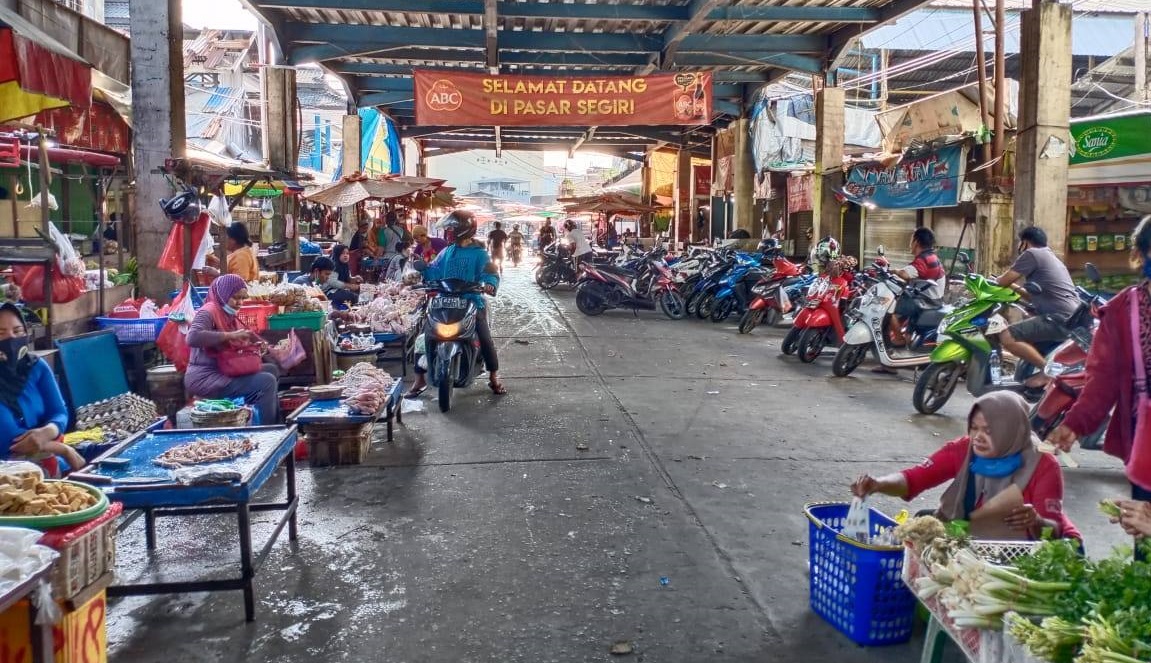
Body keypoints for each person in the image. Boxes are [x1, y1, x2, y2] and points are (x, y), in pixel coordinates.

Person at [1048, 215, 1151, 557]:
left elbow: (1102, 380)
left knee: (1146, 539)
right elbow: (1103, 379)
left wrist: (1075, 425)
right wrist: (1075, 423)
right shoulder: (1124, 309)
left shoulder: (1126, 307)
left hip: (1143, 439)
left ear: (1138, 253)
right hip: (1144, 443)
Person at [854, 391, 1080, 543]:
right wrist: (878, 484)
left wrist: (1035, 520)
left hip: (1025, 546)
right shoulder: (964, 449)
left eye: (989, 431)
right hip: (975, 534)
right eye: (974, 428)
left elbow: (1054, 530)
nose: (978, 437)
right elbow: (914, 478)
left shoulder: (1042, 464)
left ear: (1012, 429)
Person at [406, 210, 505, 398]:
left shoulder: (480, 254)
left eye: (451, 229)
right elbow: (434, 270)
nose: (448, 232)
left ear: (462, 230)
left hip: (471, 301)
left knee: (485, 338)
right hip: (443, 301)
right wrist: (423, 270)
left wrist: (490, 285)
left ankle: (493, 377)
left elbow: (490, 273)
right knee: (424, 336)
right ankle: (419, 380)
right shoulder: (447, 251)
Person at [0, 303, 85, 474]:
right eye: (1, 333)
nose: (11, 338)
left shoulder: (36, 367)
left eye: (17, 331)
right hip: (8, 480)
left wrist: (48, 430)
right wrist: (63, 449)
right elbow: (9, 439)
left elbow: (59, 412)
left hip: (50, 466)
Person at [185, 274, 280, 426]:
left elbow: (244, 336)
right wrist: (229, 336)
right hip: (207, 377)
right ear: (224, 294)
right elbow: (192, 338)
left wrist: (262, 345)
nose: (240, 303)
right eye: (236, 298)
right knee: (267, 381)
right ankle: (268, 430)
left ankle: (270, 419)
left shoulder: (228, 314)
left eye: (243, 298)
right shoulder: (208, 311)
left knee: (272, 370)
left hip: (224, 369)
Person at [996, 227, 1081, 385]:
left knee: (1006, 336)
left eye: (1020, 243)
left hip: (1057, 318)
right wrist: (1012, 288)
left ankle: (1048, 371)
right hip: (1071, 318)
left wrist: (991, 280)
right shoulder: (1051, 257)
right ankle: (1026, 378)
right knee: (1026, 338)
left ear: (1025, 243)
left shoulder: (1032, 254)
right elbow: (1033, 296)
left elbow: (1002, 281)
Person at [894, 227, 946, 300]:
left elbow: (904, 274)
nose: (910, 244)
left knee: (894, 306)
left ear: (916, 242)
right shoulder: (932, 256)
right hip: (935, 299)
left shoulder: (924, 260)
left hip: (925, 302)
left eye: (911, 240)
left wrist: (893, 271)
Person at [293, 256, 359, 307]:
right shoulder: (302, 283)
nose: (328, 278)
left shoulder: (316, 284)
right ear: (316, 271)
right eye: (326, 274)